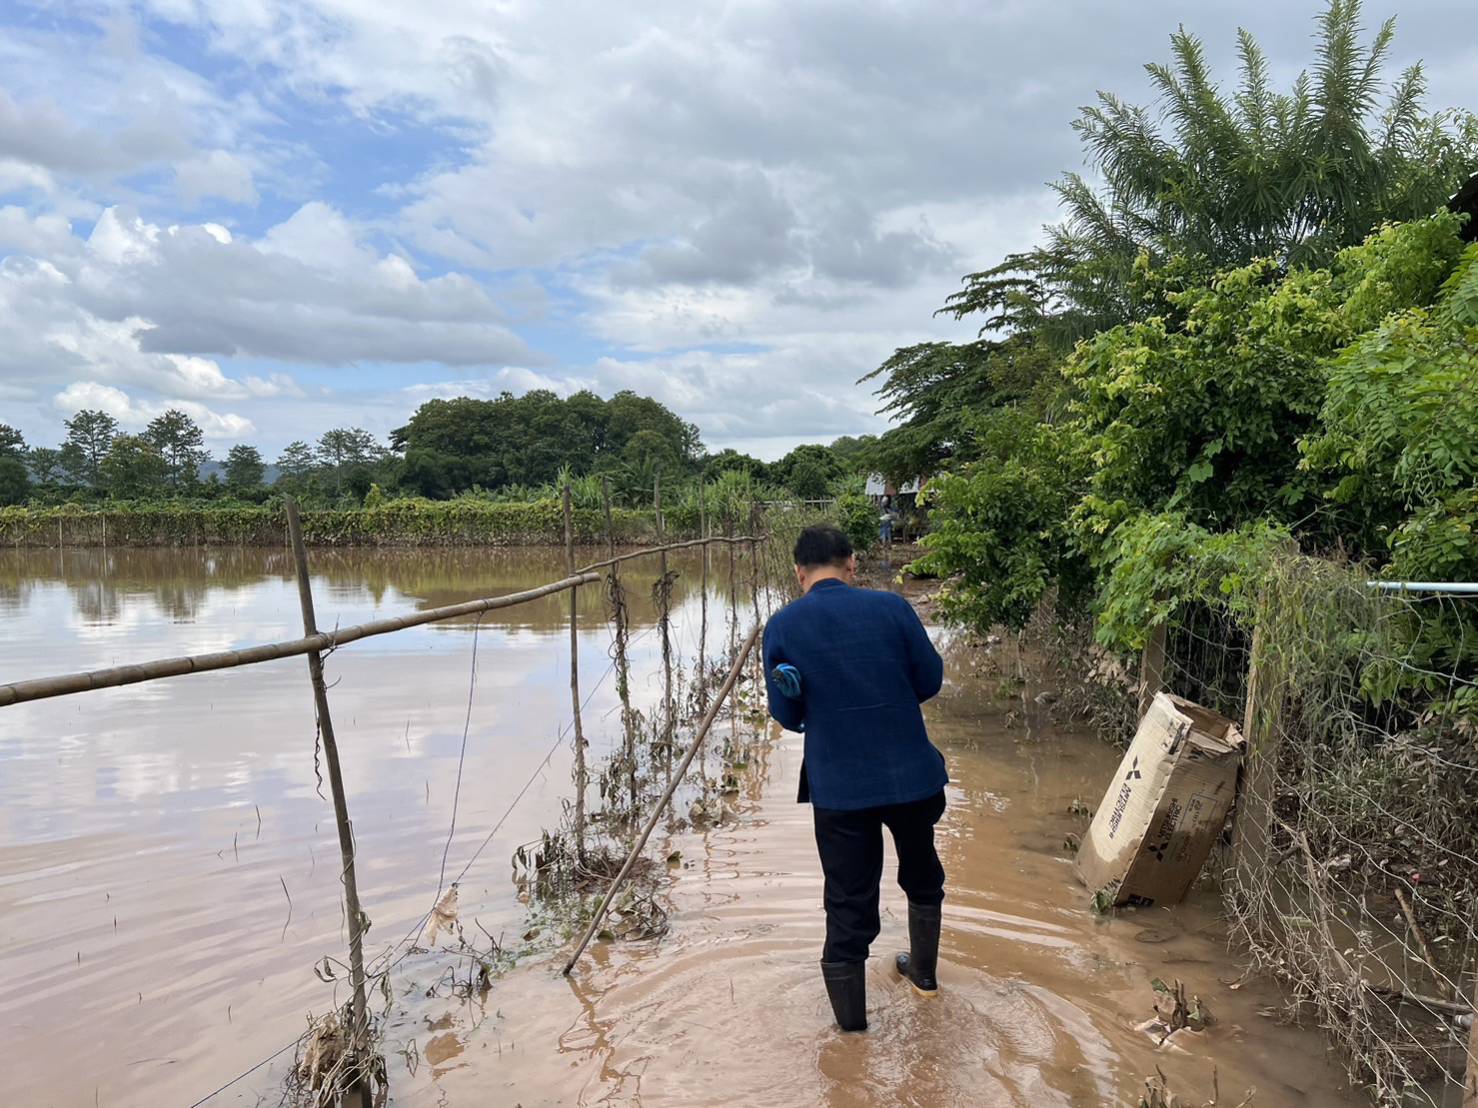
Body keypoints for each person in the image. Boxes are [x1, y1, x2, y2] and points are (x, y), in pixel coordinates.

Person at [762, 524, 948, 1032]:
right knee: (923, 873)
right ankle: (924, 978)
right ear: (852, 564)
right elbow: (929, 680)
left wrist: (808, 695)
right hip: (913, 779)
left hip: (841, 790)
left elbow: (787, 714)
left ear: (799, 572)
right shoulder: (892, 609)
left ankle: (851, 1035)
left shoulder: (783, 626)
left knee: (847, 902)